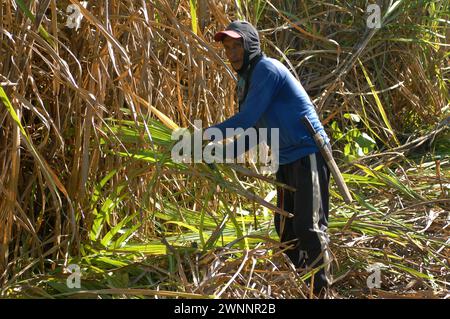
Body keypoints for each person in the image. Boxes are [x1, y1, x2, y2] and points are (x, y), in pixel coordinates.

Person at [206, 20, 333, 294]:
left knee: (308, 227)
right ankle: (306, 286)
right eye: (227, 47)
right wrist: (215, 153)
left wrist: (205, 134)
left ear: (250, 45)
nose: (232, 52)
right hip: (285, 158)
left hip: (308, 152)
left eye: (237, 45)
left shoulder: (266, 70)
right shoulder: (244, 82)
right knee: (286, 230)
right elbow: (253, 132)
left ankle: (321, 291)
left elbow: (246, 118)